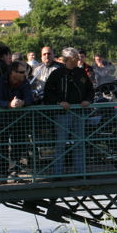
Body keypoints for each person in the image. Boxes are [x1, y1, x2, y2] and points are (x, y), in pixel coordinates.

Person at [44, 47, 95, 176]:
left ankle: (80, 172)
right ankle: (58, 173)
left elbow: (90, 89)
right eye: (76, 57)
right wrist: (59, 102)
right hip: (62, 114)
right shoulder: (57, 73)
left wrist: (88, 100)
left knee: (80, 143)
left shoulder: (81, 72)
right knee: (61, 144)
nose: (78, 58)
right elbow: (48, 92)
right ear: (68, 59)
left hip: (79, 113)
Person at [0, 61, 35, 179]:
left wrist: (22, 102)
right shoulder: (1, 81)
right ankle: (2, 172)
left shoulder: (24, 82)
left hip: (20, 119)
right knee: (3, 145)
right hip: (3, 119)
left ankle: (14, 170)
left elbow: (30, 98)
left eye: (24, 71)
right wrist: (9, 104)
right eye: (21, 72)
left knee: (18, 144)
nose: (24, 74)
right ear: (13, 73)